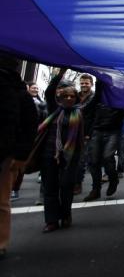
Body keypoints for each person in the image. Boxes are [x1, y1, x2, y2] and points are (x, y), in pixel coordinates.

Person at [0, 54, 38, 257]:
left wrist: (21, 154)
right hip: (8, 151)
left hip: (6, 152)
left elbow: (29, 124)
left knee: (1, 201)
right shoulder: (19, 92)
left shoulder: (17, 92)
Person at [38, 79, 86, 232]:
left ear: (76, 99)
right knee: (50, 188)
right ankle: (51, 221)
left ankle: (66, 215)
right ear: (60, 98)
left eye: (72, 96)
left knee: (66, 187)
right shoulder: (54, 109)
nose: (69, 99)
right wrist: (60, 74)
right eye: (66, 96)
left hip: (70, 156)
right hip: (49, 154)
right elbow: (50, 91)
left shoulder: (79, 112)